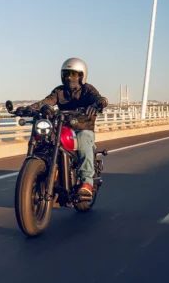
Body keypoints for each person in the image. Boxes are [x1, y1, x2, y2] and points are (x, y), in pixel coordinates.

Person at [16, 58, 108, 198]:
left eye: (73, 74)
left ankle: (86, 182)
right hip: (62, 126)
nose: (69, 77)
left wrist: (98, 104)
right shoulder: (59, 91)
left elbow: (99, 99)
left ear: (81, 76)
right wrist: (30, 108)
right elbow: (47, 101)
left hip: (82, 127)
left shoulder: (87, 89)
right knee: (46, 138)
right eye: (66, 74)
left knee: (84, 139)